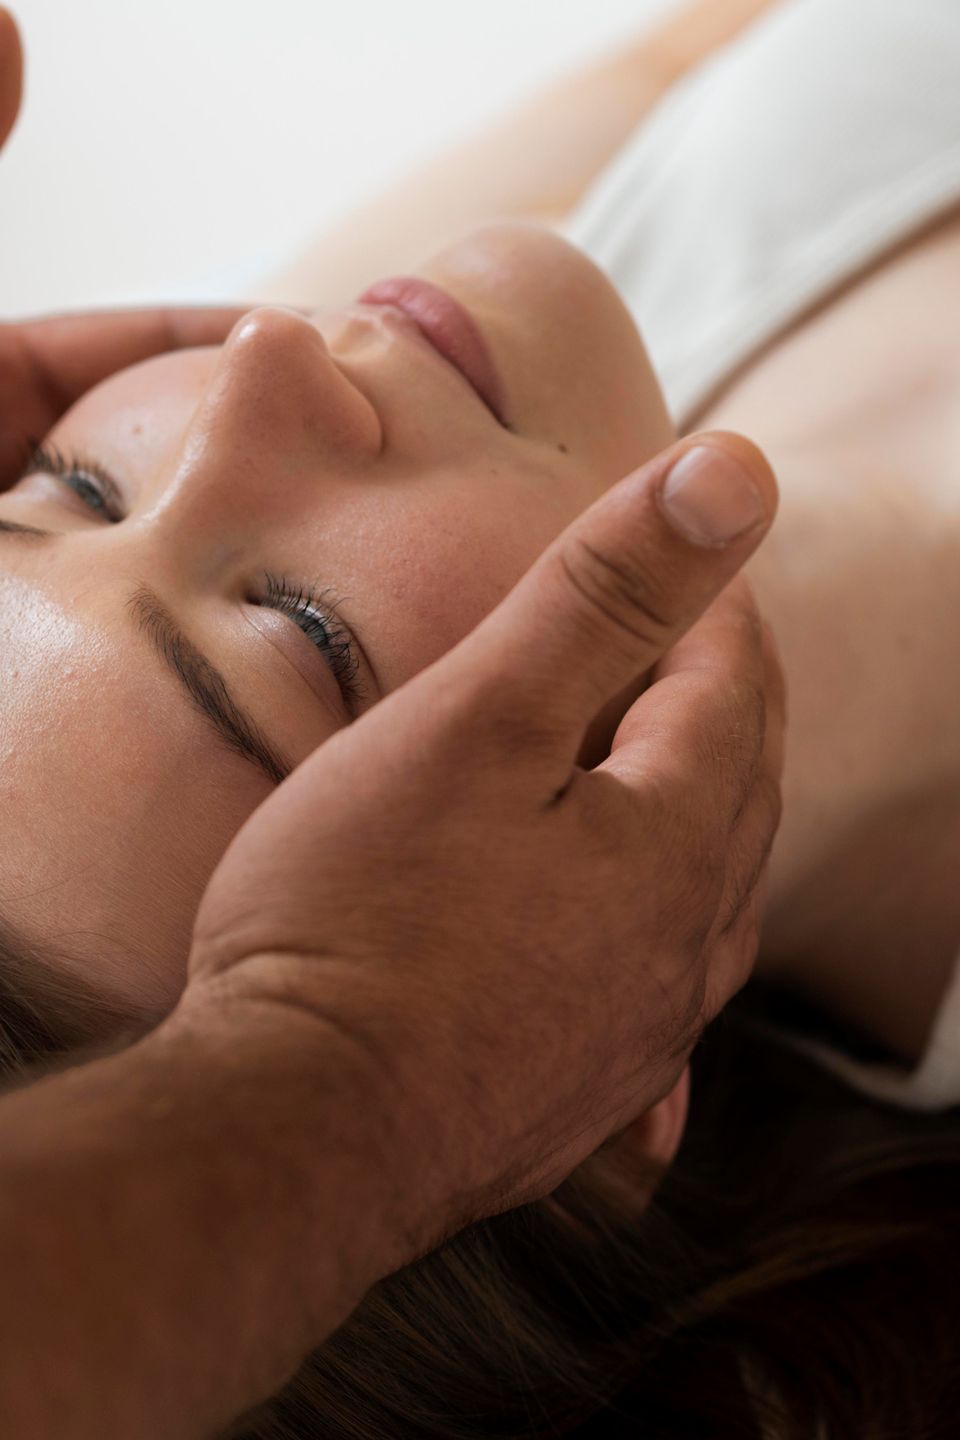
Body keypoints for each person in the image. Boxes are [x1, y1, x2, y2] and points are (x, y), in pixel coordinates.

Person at [0, 0, 958, 1435]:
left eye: (71, 486)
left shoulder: (494, 373)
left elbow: (692, 50)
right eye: (307, 638)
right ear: (569, 1075)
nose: (265, 355)